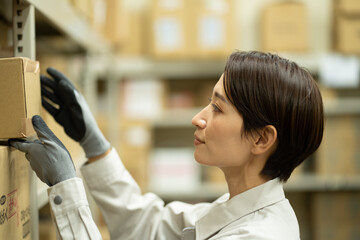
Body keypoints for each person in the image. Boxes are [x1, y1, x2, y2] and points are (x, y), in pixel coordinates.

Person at [10, 51, 324, 240]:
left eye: (218, 108)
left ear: (261, 139)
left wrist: (66, 185)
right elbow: (145, 227)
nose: (197, 118)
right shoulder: (235, 208)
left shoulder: (257, 235)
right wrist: (95, 144)